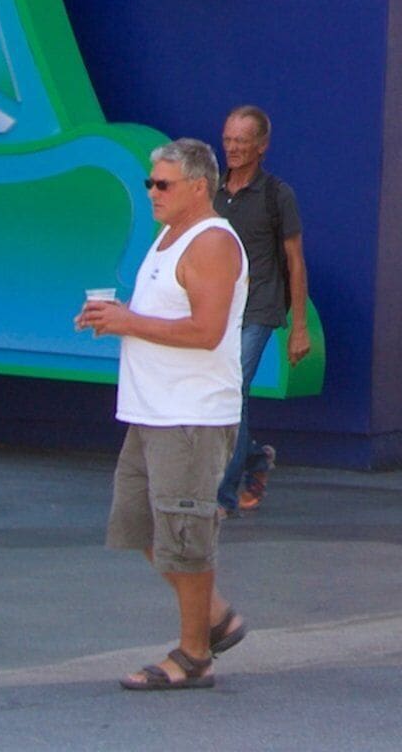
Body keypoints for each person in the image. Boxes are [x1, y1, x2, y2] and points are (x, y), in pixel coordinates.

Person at [78, 138, 251, 691]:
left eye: (162, 184)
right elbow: (159, 316)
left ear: (199, 188)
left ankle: (195, 653)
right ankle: (217, 616)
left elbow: (207, 331)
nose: (151, 191)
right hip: (150, 413)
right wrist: (114, 318)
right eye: (150, 182)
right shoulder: (169, 238)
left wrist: (127, 322)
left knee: (184, 532)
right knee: (143, 527)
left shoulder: (212, 243)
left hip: (190, 417)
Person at [212, 105, 312, 513]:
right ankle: (254, 457)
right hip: (217, 308)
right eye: (228, 140)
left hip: (260, 306)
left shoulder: (277, 195)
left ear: (262, 146)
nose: (233, 148)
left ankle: (222, 495)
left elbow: (295, 261)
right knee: (227, 394)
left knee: (232, 390)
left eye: (242, 141)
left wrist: (299, 326)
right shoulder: (212, 189)